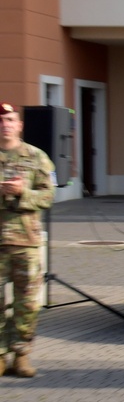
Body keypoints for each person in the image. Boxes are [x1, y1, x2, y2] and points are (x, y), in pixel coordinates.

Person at [1, 102, 55, 378]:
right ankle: (0, 355)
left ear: (19, 125)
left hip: (26, 241)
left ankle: (21, 354)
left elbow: (47, 197)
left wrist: (23, 193)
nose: (5, 124)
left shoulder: (37, 157)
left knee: (28, 303)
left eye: (10, 119)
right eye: (1, 120)